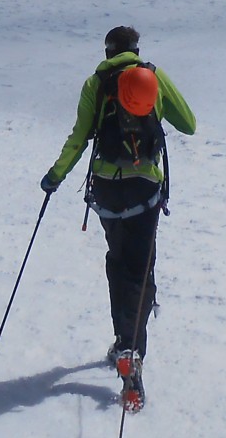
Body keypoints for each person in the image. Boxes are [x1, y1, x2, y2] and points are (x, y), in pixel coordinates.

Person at [41, 25, 196, 411]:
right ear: (136, 49)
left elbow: (79, 137)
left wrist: (55, 176)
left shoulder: (96, 84)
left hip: (108, 191)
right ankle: (132, 351)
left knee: (118, 263)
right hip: (145, 189)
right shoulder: (152, 77)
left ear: (108, 51)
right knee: (141, 270)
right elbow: (189, 124)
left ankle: (123, 343)